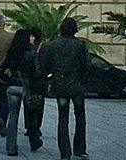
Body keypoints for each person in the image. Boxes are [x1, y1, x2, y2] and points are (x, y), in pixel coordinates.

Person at [38, 17, 90, 160]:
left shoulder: (52, 45)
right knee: (80, 116)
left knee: (63, 118)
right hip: (77, 86)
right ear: (75, 29)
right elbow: (86, 65)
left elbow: (44, 66)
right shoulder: (80, 45)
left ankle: (65, 153)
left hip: (60, 85)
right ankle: (80, 149)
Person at [0, 28, 45, 156]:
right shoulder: (32, 54)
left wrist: (9, 80)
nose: (33, 38)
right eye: (31, 36)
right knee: (31, 116)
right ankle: (34, 140)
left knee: (13, 117)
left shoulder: (12, 53)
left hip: (12, 88)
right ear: (26, 38)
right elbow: (37, 73)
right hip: (27, 89)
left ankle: (11, 148)